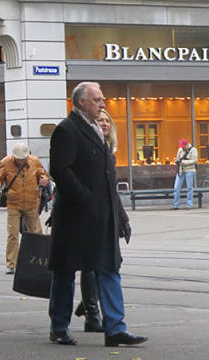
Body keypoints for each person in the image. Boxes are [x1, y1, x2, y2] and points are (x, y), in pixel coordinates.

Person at [48, 81, 144, 347]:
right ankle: (59, 326)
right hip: (75, 217)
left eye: (102, 99)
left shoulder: (97, 129)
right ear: (81, 102)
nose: (103, 104)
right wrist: (85, 198)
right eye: (98, 100)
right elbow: (60, 170)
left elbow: (108, 181)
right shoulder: (66, 129)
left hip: (103, 217)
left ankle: (115, 328)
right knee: (66, 271)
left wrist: (121, 218)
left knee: (109, 269)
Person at [73, 109, 131, 333]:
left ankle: (91, 304)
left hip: (106, 215)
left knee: (106, 265)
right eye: (100, 120)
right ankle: (92, 313)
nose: (104, 123)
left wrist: (123, 219)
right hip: (89, 215)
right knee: (91, 265)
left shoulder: (108, 150)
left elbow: (112, 191)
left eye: (107, 120)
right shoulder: (88, 148)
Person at [0, 143, 50, 275]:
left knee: (36, 233)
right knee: (12, 234)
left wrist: (44, 180)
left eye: (23, 158)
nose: (21, 161)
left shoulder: (34, 161)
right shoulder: (6, 162)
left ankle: (38, 261)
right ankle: (11, 264)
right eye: (18, 158)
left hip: (32, 202)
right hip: (13, 203)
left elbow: (43, 174)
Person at [172, 138, 198, 210]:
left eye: (183, 146)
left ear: (186, 145)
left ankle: (189, 204)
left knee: (189, 187)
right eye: (181, 146)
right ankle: (175, 205)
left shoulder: (193, 150)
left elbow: (195, 160)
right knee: (176, 187)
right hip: (181, 170)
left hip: (190, 170)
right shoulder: (180, 150)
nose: (182, 147)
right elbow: (178, 159)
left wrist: (185, 162)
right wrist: (177, 161)